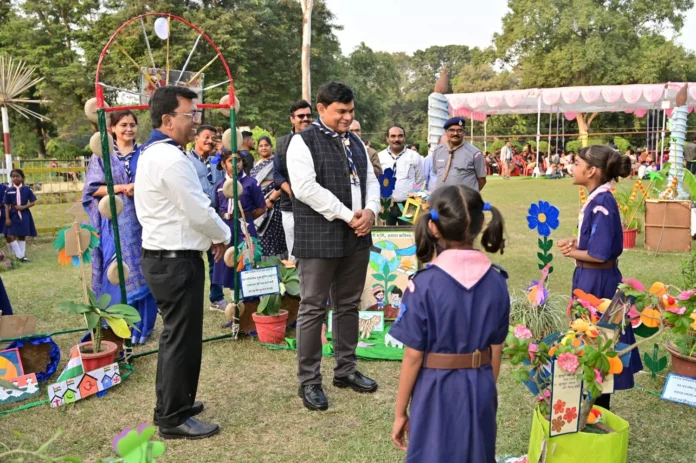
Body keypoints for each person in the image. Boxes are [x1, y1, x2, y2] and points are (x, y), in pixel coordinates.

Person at [135, 86, 231, 439]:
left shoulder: (156, 153)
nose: (195, 121)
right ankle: (172, 417)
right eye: (189, 114)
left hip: (169, 257)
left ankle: (176, 403)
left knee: (181, 337)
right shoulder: (171, 159)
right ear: (167, 119)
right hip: (174, 260)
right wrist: (223, 236)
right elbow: (197, 209)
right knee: (179, 339)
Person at [390, 185, 509, 462]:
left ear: (433, 228)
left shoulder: (423, 285)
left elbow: (413, 356)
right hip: (481, 384)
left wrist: (400, 412)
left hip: (435, 389)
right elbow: (497, 348)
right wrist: (482, 390)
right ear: (481, 224)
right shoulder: (497, 282)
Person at [287, 81, 380, 411]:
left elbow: (371, 181)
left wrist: (370, 210)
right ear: (321, 109)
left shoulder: (354, 141)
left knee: (348, 304)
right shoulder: (303, 141)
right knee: (312, 306)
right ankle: (309, 380)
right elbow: (304, 188)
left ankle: (346, 370)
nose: (347, 117)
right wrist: (347, 215)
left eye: (351, 111)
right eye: (341, 111)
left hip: (357, 235)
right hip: (321, 236)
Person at [558, 145, 642, 411]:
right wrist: (577, 243)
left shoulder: (603, 201)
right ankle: (589, 410)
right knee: (592, 345)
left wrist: (574, 252)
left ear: (591, 171)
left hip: (598, 283)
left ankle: (597, 411)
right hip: (591, 278)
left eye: (577, 162)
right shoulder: (597, 197)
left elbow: (602, 253)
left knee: (599, 347)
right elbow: (596, 242)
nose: (573, 166)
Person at [83, 110, 158, 345]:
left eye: (133, 124)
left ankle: (142, 328)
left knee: (145, 267)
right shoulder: (102, 155)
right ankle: (116, 326)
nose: (129, 129)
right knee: (116, 270)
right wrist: (122, 187)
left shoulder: (146, 153)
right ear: (112, 129)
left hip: (144, 220)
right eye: (123, 125)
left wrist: (141, 188)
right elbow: (92, 189)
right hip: (114, 223)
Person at [212, 151, 266, 289]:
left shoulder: (251, 183)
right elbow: (216, 208)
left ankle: (248, 298)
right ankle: (233, 298)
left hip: (244, 227)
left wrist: (246, 218)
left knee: (246, 259)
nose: (236, 164)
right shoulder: (219, 185)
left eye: (239, 160)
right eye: (231, 161)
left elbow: (261, 207)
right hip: (226, 227)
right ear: (224, 164)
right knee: (228, 260)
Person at [188, 124, 226, 313]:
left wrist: (223, 153)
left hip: (213, 215)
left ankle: (216, 298)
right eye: (206, 137)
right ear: (196, 138)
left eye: (213, 138)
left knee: (216, 259)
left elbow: (229, 177)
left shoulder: (216, 161)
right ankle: (187, 299)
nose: (210, 141)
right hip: (193, 217)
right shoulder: (185, 160)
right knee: (190, 261)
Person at [274, 100, 312, 263]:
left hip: (314, 207)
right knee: (293, 251)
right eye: (300, 116)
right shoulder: (282, 143)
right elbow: (277, 175)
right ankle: (295, 287)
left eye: (309, 116)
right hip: (289, 206)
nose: (305, 119)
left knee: (313, 251)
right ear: (292, 119)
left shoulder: (319, 141)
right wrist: (292, 192)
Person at [378, 125, 424, 225]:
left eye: (400, 136)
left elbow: (419, 180)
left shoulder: (414, 156)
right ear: (387, 139)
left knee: (409, 235)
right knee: (386, 237)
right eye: (393, 136)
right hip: (386, 205)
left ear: (404, 138)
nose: (396, 139)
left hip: (410, 204)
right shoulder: (380, 156)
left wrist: (415, 199)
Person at [250, 136, 286, 257]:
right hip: (259, 204)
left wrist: (271, 199)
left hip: (274, 204)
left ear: (271, 147)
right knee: (260, 237)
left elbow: (282, 182)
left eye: (266, 145)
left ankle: (279, 265)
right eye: (261, 146)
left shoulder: (276, 161)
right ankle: (264, 267)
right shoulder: (256, 164)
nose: (264, 148)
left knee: (274, 235)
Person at [431, 117, 486, 192]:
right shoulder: (438, 151)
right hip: (443, 199)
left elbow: (482, 180)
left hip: (464, 201)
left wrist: (470, 196)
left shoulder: (475, 153)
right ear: (446, 132)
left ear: (463, 132)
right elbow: (436, 173)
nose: (455, 133)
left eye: (459, 130)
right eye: (452, 130)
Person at [4, 169, 36, 262]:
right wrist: (7, 218)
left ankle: (21, 256)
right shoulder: (9, 191)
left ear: (22, 178)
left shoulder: (27, 190)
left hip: (24, 213)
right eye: (13, 177)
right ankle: (20, 256)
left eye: (17, 176)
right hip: (13, 214)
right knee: (10, 235)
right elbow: (6, 205)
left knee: (22, 234)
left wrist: (23, 207)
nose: (15, 178)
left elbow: (33, 202)